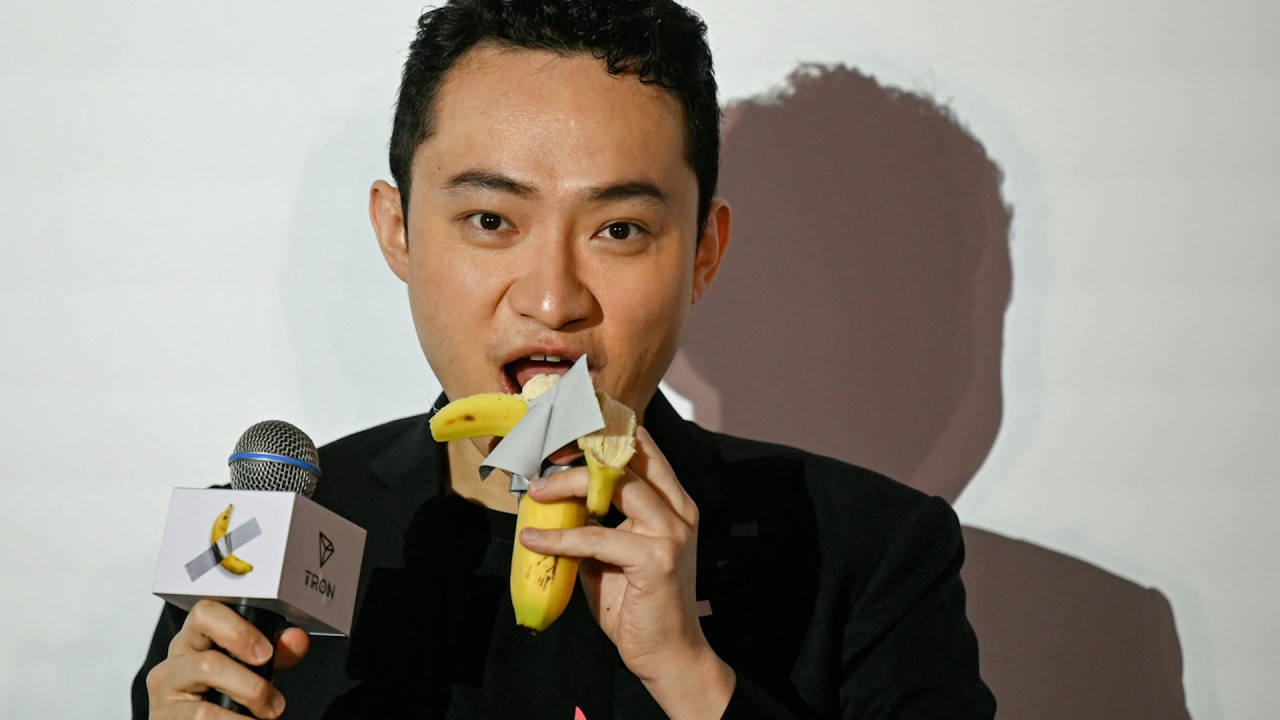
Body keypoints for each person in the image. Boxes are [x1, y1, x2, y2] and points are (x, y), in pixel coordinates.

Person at [133, 1, 996, 717]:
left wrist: (694, 680)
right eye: (490, 221)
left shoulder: (873, 557)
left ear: (703, 252)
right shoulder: (261, 542)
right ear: (397, 231)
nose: (552, 299)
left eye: (618, 229)